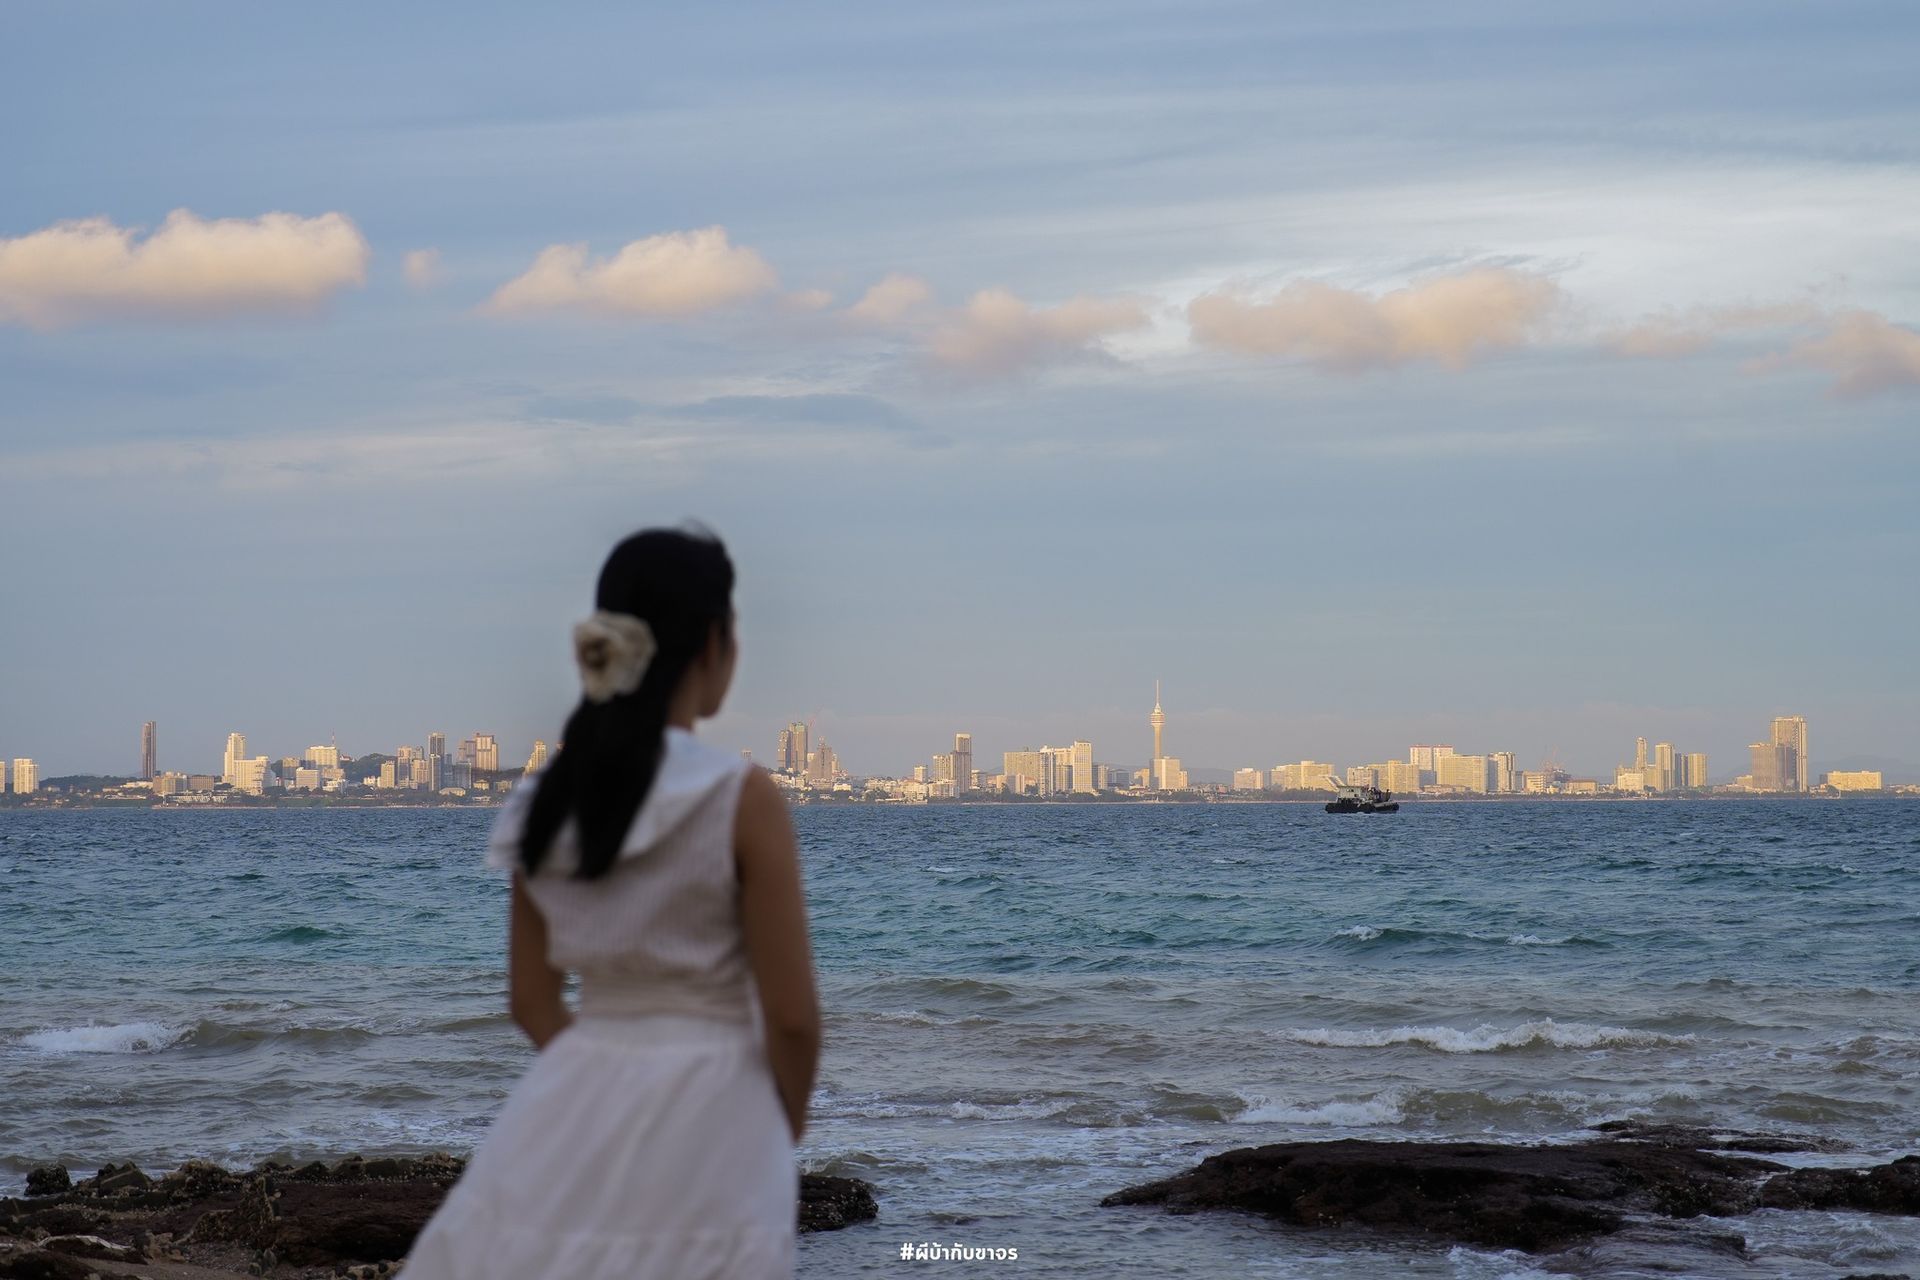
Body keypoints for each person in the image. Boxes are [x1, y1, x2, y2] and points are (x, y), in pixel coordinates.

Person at [406, 527, 821, 1280]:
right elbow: (791, 1015)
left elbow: (532, 1001)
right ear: (713, 645)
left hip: (572, 1097)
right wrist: (779, 1123)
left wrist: (603, 1079)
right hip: (721, 1100)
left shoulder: (545, 798)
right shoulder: (739, 796)